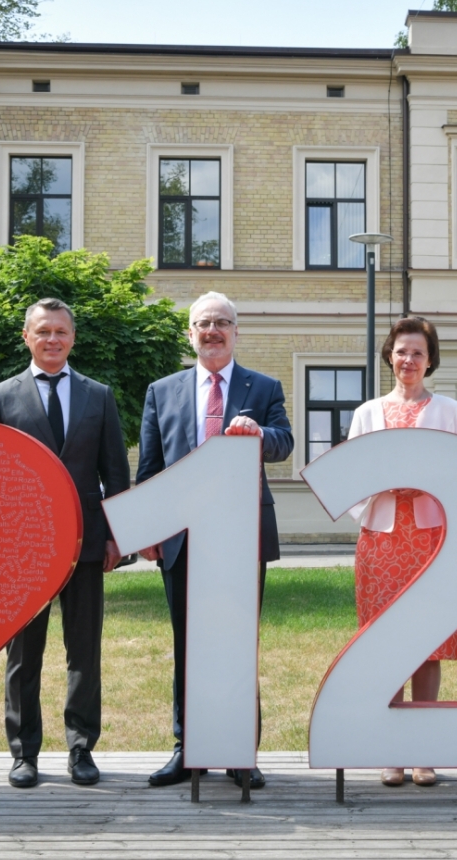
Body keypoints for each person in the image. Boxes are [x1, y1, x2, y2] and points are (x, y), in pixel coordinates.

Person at [136, 291, 293, 791]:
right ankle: (188, 749)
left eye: (222, 322)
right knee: (188, 645)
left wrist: (260, 435)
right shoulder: (163, 391)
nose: (212, 330)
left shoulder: (262, 386)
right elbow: (150, 468)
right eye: (203, 323)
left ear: (236, 332)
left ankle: (240, 753)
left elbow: (285, 441)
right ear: (190, 334)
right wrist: (149, 527)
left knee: (238, 644)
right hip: (182, 538)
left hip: (241, 534)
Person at [0, 297, 130, 789]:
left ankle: (81, 748)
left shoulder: (98, 395)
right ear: (27, 337)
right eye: (43, 332)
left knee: (84, 652)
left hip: (85, 545)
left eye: (61, 332)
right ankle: (24, 754)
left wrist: (115, 537)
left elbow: (115, 471)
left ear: (72, 338)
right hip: (23, 552)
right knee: (24, 654)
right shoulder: (0, 396)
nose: (52, 340)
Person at [344, 316, 457, 788]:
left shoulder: (449, 410)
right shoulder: (368, 412)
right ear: (389, 357)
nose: (409, 360)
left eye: (418, 352)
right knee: (384, 642)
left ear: (430, 359)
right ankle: (391, 751)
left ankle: (424, 752)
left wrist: (428, 483)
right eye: (401, 351)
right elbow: (352, 472)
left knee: (428, 641)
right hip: (381, 536)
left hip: (430, 538)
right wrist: (381, 484)